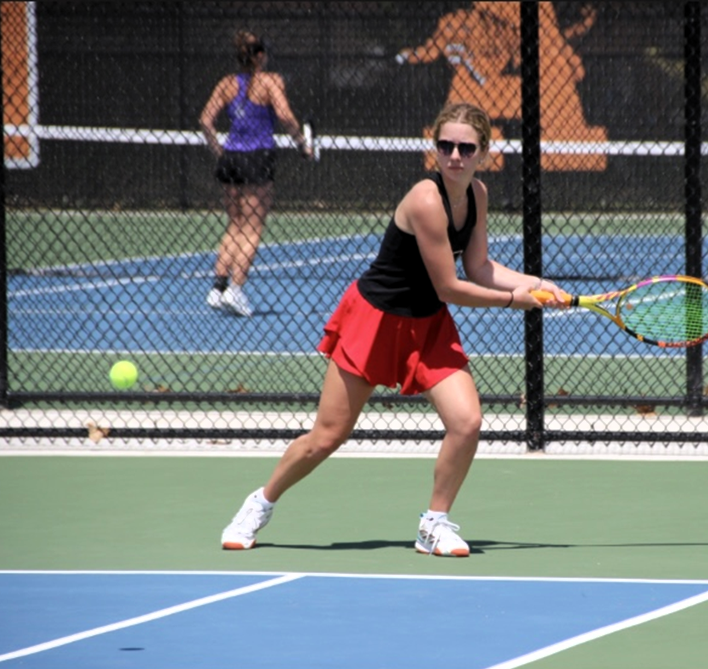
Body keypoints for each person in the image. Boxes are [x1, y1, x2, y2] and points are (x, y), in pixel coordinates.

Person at [219, 102, 567, 557]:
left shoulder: (477, 195)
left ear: (482, 152)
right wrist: (514, 300)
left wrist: (536, 284)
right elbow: (449, 286)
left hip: (427, 326)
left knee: (467, 422)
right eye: (446, 146)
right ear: (436, 149)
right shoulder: (426, 199)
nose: (455, 156)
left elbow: (479, 267)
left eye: (466, 147)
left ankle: (434, 525)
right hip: (376, 321)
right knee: (327, 437)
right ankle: (260, 504)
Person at [199, 30, 312, 317]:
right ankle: (235, 290)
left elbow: (205, 120)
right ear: (260, 56)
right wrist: (302, 144)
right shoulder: (270, 81)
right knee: (252, 228)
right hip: (257, 159)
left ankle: (218, 288)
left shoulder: (227, 84)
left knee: (235, 224)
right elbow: (285, 116)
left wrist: (220, 152)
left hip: (231, 159)